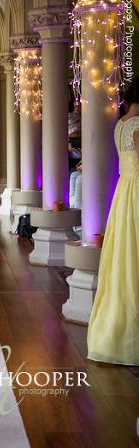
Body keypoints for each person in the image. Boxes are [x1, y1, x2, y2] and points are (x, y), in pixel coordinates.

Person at [87, 82, 139, 366]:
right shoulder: (138, 124)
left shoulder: (121, 124)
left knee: (124, 256)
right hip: (137, 191)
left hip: (124, 192)